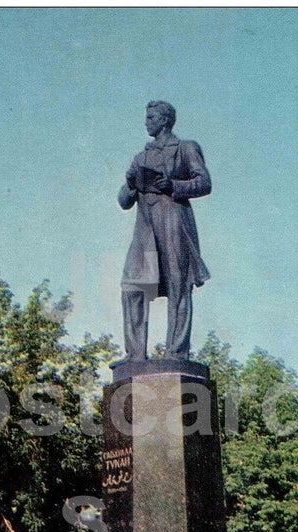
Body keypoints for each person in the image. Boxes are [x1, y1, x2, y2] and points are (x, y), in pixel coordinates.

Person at [114, 100, 211, 365]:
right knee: (132, 286)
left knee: (179, 287)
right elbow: (123, 201)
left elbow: (204, 183)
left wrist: (173, 185)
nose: (146, 122)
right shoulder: (140, 157)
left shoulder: (185, 148)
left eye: (151, 117)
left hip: (173, 221)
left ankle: (176, 353)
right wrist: (131, 184)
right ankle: (134, 354)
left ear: (165, 120)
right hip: (145, 229)